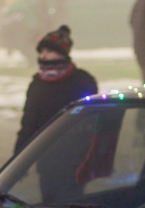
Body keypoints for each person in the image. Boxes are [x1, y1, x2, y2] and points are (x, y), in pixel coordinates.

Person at [14, 25, 98, 154]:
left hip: (77, 152)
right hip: (44, 153)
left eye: (49, 51)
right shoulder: (37, 83)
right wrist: (17, 156)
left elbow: (91, 121)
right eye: (41, 51)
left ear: (62, 53)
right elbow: (28, 124)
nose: (43, 56)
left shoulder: (83, 81)